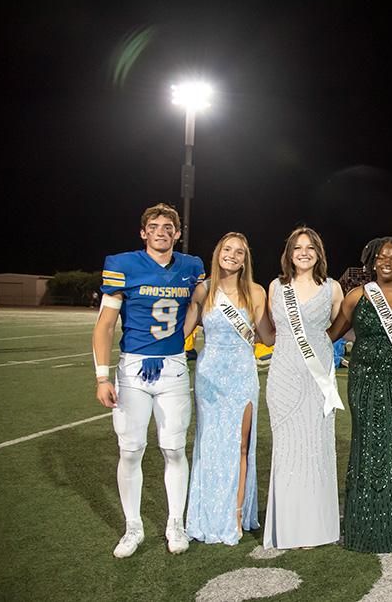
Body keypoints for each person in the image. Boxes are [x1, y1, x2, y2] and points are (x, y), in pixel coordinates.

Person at [91, 203, 206, 558]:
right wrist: (101, 376)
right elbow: (106, 325)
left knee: (173, 448)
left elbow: (197, 306)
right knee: (131, 449)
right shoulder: (123, 264)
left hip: (172, 368)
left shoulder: (192, 267)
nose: (161, 231)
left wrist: (181, 339)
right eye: (154, 226)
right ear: (143, 232)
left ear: (177, 233)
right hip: (133, 370)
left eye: (168, 226)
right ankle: (133, 526)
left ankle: (175, 522)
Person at [328, 237, 392, 553]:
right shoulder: (356, 296)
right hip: (363, 381)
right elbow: (331, 335)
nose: (388, 262)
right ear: (372, 261)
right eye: (382, 257)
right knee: (365, 445)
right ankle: (361, 527)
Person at [263, 226, 345, 549]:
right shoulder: (275, 287)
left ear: (319, 253)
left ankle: (315, 528)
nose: (304, 252)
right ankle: (288, 527)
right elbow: (270, 331)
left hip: (317, 381)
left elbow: (339, 329)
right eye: (298, 247)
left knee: (316, 450)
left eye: (310, 247)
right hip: (283, 379)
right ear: (289, 253)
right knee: (287, 451)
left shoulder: (333, 288)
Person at [183, 232, 267, 545]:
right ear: (218, 252)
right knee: (209, 444)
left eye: (240, 252)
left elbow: (267, 336)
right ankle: (207, 513)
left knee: (240, 445)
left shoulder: (256, 292)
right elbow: (183, 332)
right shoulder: (204, 290)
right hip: (209, 376)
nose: (232, 255)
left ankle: (235, 513)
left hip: (242, 375)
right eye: (227, 249)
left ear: (246, 260)